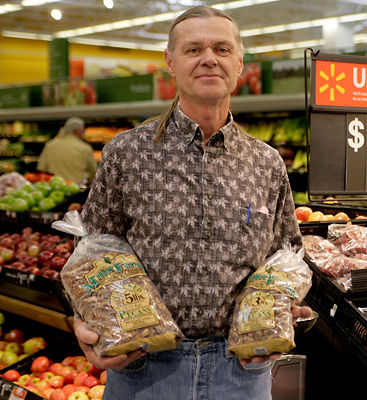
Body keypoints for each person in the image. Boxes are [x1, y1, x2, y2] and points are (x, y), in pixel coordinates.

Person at [73, 5, 312, 400]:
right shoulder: (127, 152)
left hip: (241, 373)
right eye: (193, 49)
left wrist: (287, 315)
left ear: (239, 62)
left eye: (221, 49)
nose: (209, 59)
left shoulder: (267, 163)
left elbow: (288, 256)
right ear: (170, 61)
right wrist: (81, 321)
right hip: (143, 370)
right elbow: (89, 254)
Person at [37, 117, 97, 185]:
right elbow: (94, 173)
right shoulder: (84, 148)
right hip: (77, 189)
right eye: (83, 130)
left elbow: (42, 168)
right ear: (76, 131)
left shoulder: (50, 145)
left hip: (55, 187)